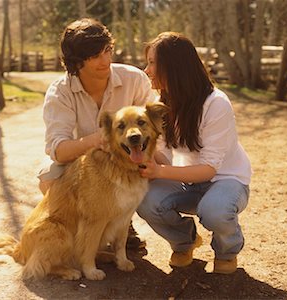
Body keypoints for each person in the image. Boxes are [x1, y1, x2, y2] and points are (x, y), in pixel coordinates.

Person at [137, 32, 252, 274]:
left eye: (152, 63)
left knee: (215, 210)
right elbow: (164, 157)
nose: (147, 70)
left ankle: (227, 250)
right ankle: (184, 242)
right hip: (188, 181)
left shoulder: (215, 103)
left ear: (174, 66)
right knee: (146, 200)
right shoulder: (163, 104)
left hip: (227, 181)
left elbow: (209, 169)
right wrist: (144, 147)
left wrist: (160, 170)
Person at [38, 18, 155, 248]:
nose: (105, 61)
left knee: (156, 184)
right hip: (83, 161)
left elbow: (156, 129)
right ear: (76, 62)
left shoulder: (134, 79)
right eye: (94, 56)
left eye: (107, 51)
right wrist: (98, 140)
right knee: (49, 178)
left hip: (130, 156)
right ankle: (76, 231)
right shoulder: (60, 92)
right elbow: (59, 150)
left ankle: (122, 223)